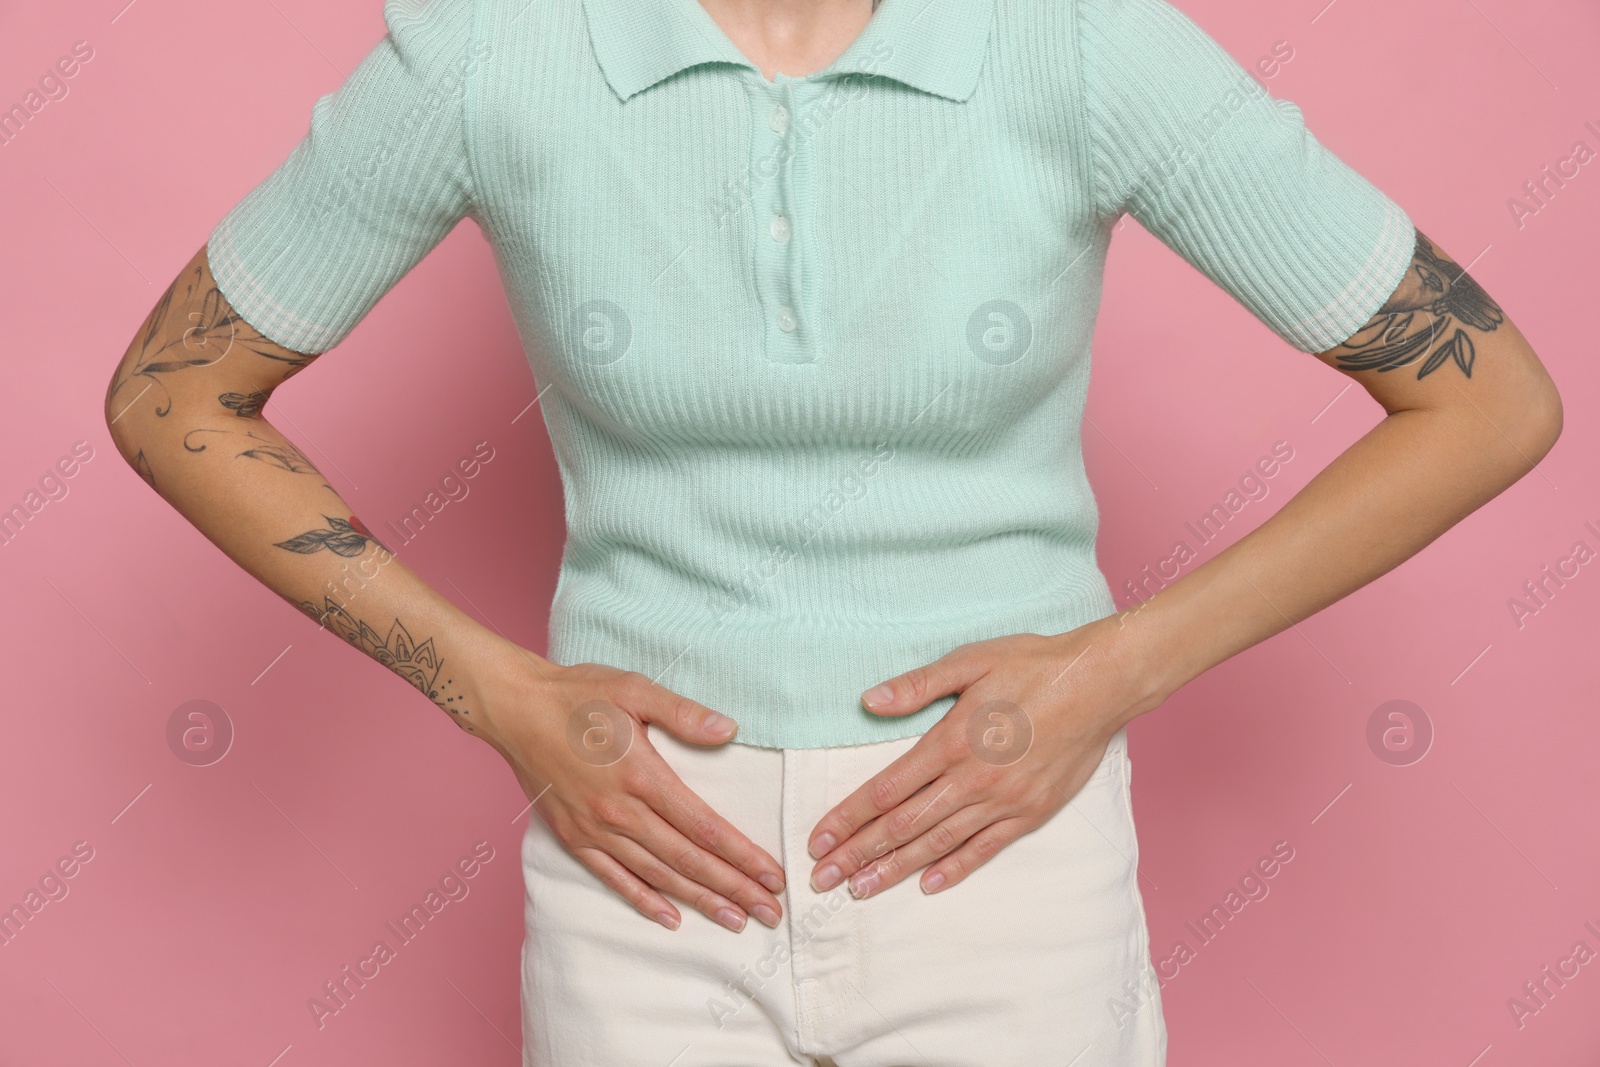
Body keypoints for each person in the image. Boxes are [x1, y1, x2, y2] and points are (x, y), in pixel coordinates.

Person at [102, 0, 1561, 1061]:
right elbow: (175, 398)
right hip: (643, 862)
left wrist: (1112, 670)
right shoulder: (497, 51)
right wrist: (500, 696)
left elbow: (1489, 402)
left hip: (1005, 855)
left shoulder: (1076, 42)